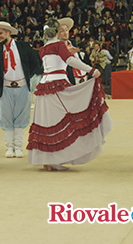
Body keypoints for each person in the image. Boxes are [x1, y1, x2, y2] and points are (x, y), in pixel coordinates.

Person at [26, 18, 112, 171]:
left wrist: (67, 54)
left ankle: (47, 159)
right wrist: (91, 70)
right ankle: (56, 158)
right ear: (57, 32)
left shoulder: (43, 48)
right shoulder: (59, 45)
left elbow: (57, 60)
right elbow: (70, 61)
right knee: (66, 119)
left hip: (44, 86)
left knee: (47, 123)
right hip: (57, 85)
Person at [0, 21, 41, 158]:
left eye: (1, 33)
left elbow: (35, 62)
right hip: (6, 88)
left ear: (8, 33)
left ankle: (18, 146)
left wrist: (26, 77)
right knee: (6, 118)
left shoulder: (23, 46)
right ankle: (9, 147)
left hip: (22, 87)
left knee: (21, 117)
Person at [57, 18, 91, 84]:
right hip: (69, 80)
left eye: (66, 30)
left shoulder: (73, 42)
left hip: (83, 77)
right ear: (57, 34)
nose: (65, 33)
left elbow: (79, 59)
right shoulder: (55, 48)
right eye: (62, 31)